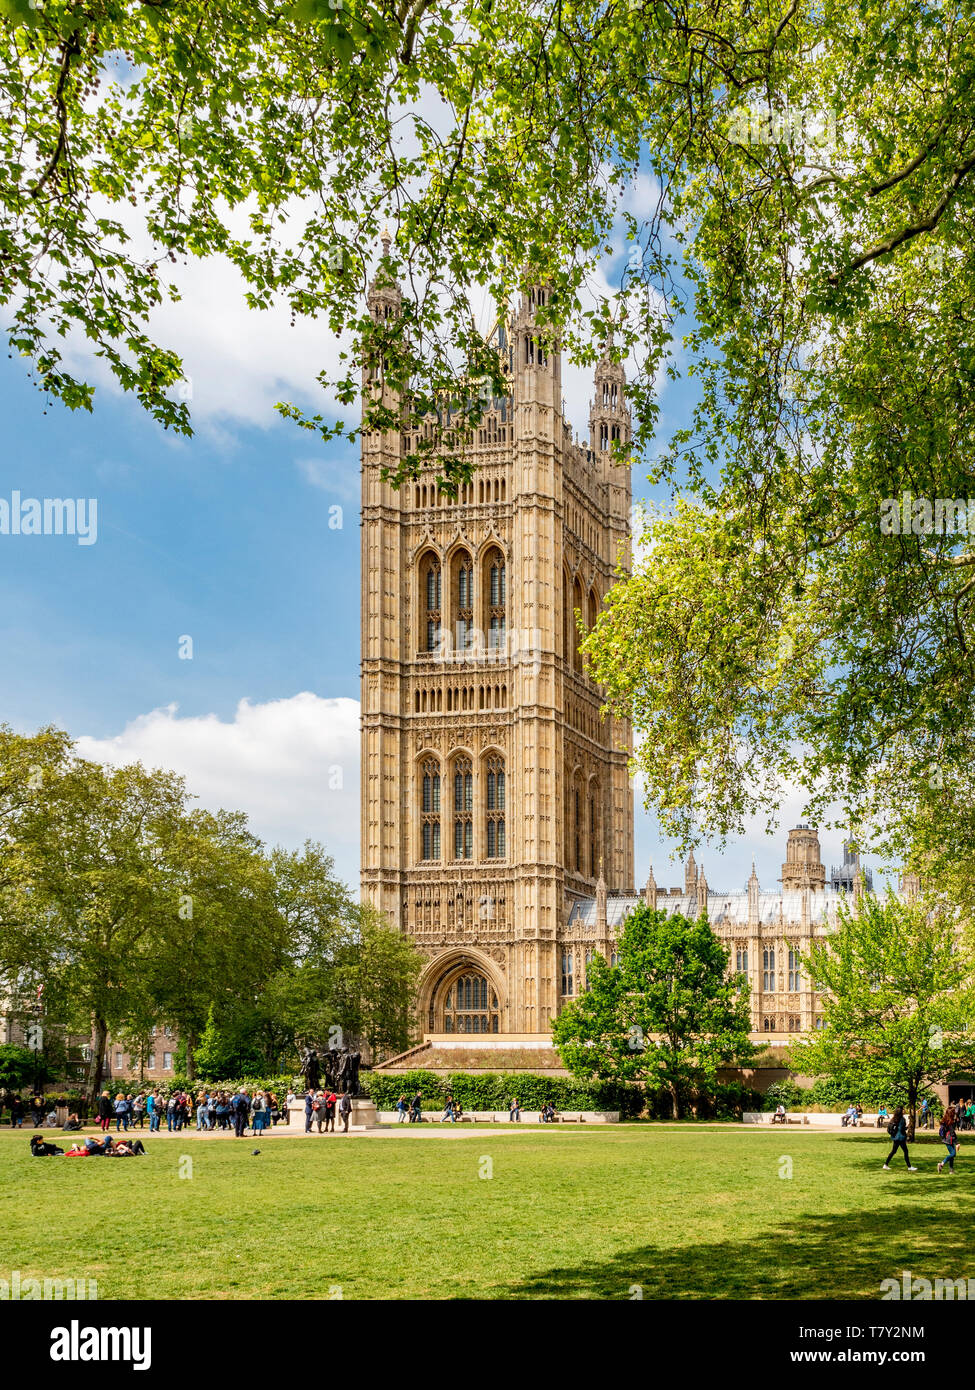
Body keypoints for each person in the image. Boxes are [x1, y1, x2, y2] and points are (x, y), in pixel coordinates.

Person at [938, 1106, 959, 1175]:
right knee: (953, 1154)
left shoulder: (946, 1119)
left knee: (952, 1155)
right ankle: (941, 1164)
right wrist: (957, 1143)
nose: (955, 1112)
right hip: (949, 1140)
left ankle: (951, 1170)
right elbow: (953, 1133)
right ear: (952, 1113)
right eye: (954, 1111)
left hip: (946, 1139)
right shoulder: (950, 1122)